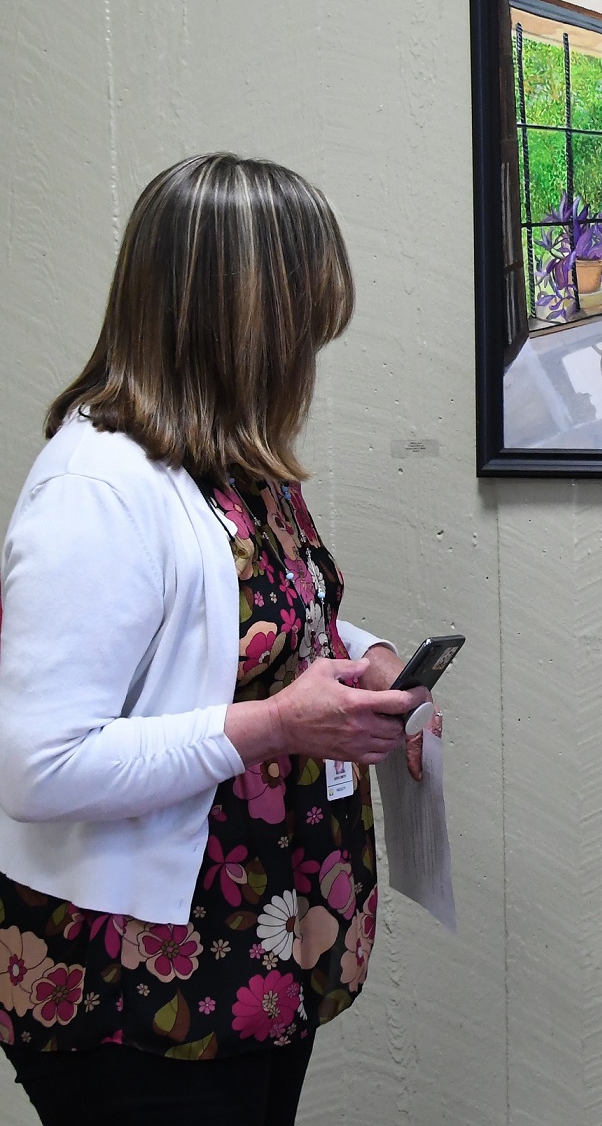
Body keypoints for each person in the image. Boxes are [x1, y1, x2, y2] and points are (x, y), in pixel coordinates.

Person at [0, 154, 436, 1125]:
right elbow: (39, 764)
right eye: (302, 327)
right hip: (139, 993)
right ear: (238, 318)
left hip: (252, 964)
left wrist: (358, 657)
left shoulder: (231, 464)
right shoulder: (96, 490)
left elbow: (239, 623)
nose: (310, 355)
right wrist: (277, 725)